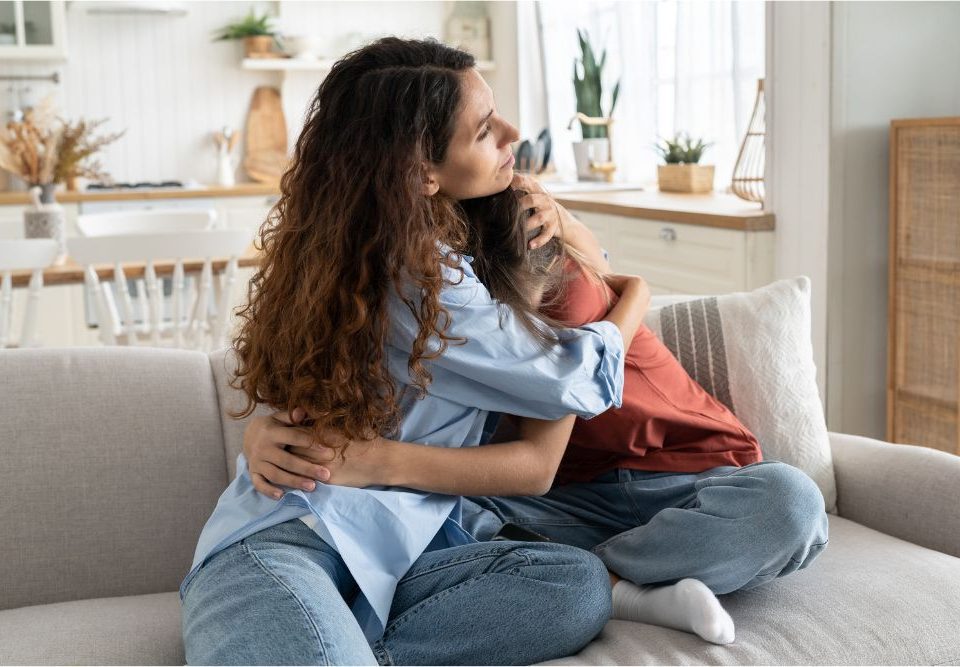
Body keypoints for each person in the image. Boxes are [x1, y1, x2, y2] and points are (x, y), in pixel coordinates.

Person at [180, 37, 653, 666]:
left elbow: (568, 302)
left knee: (572, 586)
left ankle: (357, 645)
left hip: (409, 557)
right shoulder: (419, 276)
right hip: (291, 543)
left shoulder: (373, 255)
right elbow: (570, 377)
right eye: (485, 130)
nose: (513, 133)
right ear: (420, 173)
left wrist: (565, 225)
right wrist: (640, 295)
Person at [248, 184, 830, 647]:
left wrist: (624, 285)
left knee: (788, 503)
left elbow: (554, 413)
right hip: (554, 506)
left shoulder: (544, 273)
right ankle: (620, 582)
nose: (505, 140)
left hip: (688, 479)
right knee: (411, 519)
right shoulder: (430, 299)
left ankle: (610, 580)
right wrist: (266, 433)